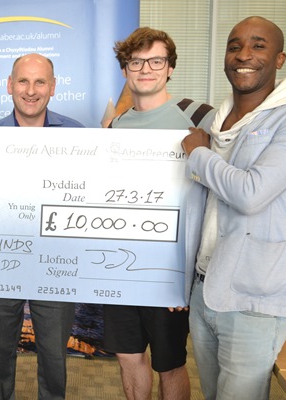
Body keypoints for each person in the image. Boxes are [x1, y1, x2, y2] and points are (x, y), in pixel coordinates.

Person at [182, 16, 286, 400]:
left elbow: (251, 193)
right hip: (207, 289)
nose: (244, 55)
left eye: (258, 46)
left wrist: (199, 154)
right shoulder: (215, 118)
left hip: (255, 298)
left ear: (280, 59)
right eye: (235, 45)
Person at [104, 27, 216, 400]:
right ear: (125, 69)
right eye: (136, 61)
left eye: (156, 61)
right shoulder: (116, 126)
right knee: (128, 356)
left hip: (172, 271)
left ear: (169, 68)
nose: (146, 69)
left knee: (169, 362)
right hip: (121, 266)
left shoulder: (200, 117)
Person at [0, 53, 81, 400]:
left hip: (56, 265)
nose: (31, 90)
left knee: (54, 355)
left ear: (53, 87)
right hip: (0, 265)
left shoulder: (79, 137)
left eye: (40, 82)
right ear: (9, 86)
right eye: (23, 81)